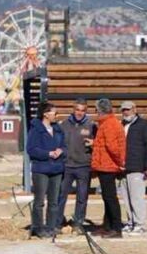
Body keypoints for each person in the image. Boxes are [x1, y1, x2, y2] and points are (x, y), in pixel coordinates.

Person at [25, 101, 66, 238]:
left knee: (54, 201)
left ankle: (51, 226)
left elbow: (65, 146)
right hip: (41, 169)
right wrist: (48, 153)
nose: (56, 115)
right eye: (55, 113)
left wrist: (61, 151)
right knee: (39, 201)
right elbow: (31, 149)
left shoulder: (58, 129)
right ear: (46, 114)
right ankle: (38, 227)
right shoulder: (36, 129)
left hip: (57, 169)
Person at [56, 98, 96, 233]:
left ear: (86, 111)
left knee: (82, 197)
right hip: (67, 166)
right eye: (77, 110)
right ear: (73, 110)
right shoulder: (64, 125)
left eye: (83, 110)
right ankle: (58, 222)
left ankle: (78, 223)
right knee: (61, 196)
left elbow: (98, 144)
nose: (79, 113)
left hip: (84, 166)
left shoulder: (91, 126)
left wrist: (94, 144)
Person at [90, 97, 126, 238]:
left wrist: (120, 163)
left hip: (108, 166)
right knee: (107, 197)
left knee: (110, 197)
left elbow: (112, 147)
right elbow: (105, 144)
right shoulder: (107, 123)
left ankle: (116, 228)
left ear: (99, 110)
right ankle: (107, 226)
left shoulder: (108, 124)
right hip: (105, 165)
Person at [120, 100, 147, 235]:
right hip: (123, 168)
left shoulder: (145, 125)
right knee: (126, 198)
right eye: (124, 110)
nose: (126, 112)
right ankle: (131, 222)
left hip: (137, 167)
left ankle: (140, 224)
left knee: (137, 198)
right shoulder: (121, 125)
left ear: (134, 109)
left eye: (128, 109)